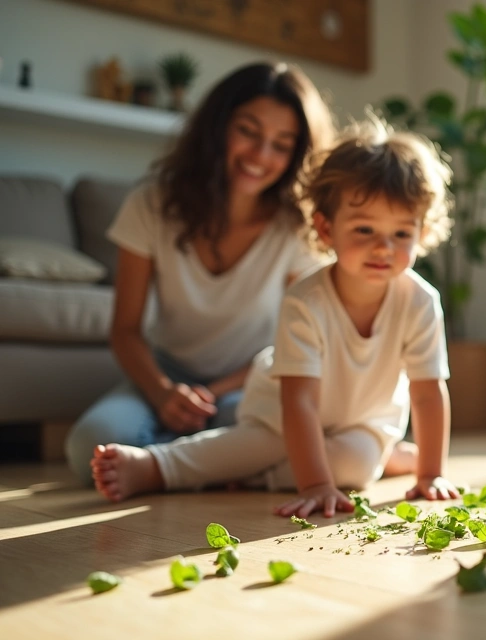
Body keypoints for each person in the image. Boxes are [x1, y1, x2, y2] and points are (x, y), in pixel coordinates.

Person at [90, 122, 461, 517]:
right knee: (258, 445)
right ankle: (156, 467)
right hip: (281, 412)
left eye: (402, 234)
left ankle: (258, 477)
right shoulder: (306, 299)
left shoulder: (421, 301)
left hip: (362, 420)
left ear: (422, 233)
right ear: (325, 228)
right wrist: (316, 485)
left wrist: (431, 474)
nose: (383, 248)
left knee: (355, 468)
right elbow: (299, 401)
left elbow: (426, 392)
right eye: (365, 229)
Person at [64, 62, 335, 483]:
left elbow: (295, 343)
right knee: (91, 445)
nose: (261, 156)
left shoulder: (297, 229)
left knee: (249, 436)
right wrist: (161, 391)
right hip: (165, 376)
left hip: (249, 382)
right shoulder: (151, 204)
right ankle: (181, 455)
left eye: (282, 144)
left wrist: (212, 393)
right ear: (218, 126)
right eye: (248, 131)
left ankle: (165, 462)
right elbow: (126, 330)